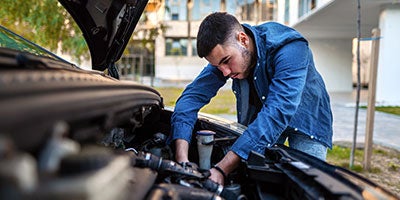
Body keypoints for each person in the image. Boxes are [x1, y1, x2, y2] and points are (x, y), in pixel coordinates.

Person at [170, 12, 333, 185]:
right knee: (256, 182)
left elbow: (277, 112)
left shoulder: (290, 48)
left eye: (226, 61)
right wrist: (182, 161)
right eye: (217, 66)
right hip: (264, 119)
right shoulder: (228, 53)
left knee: (306, 186)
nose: (224, 72)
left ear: (243, 39)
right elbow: (190, 99)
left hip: (306, 122)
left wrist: (220, 170)